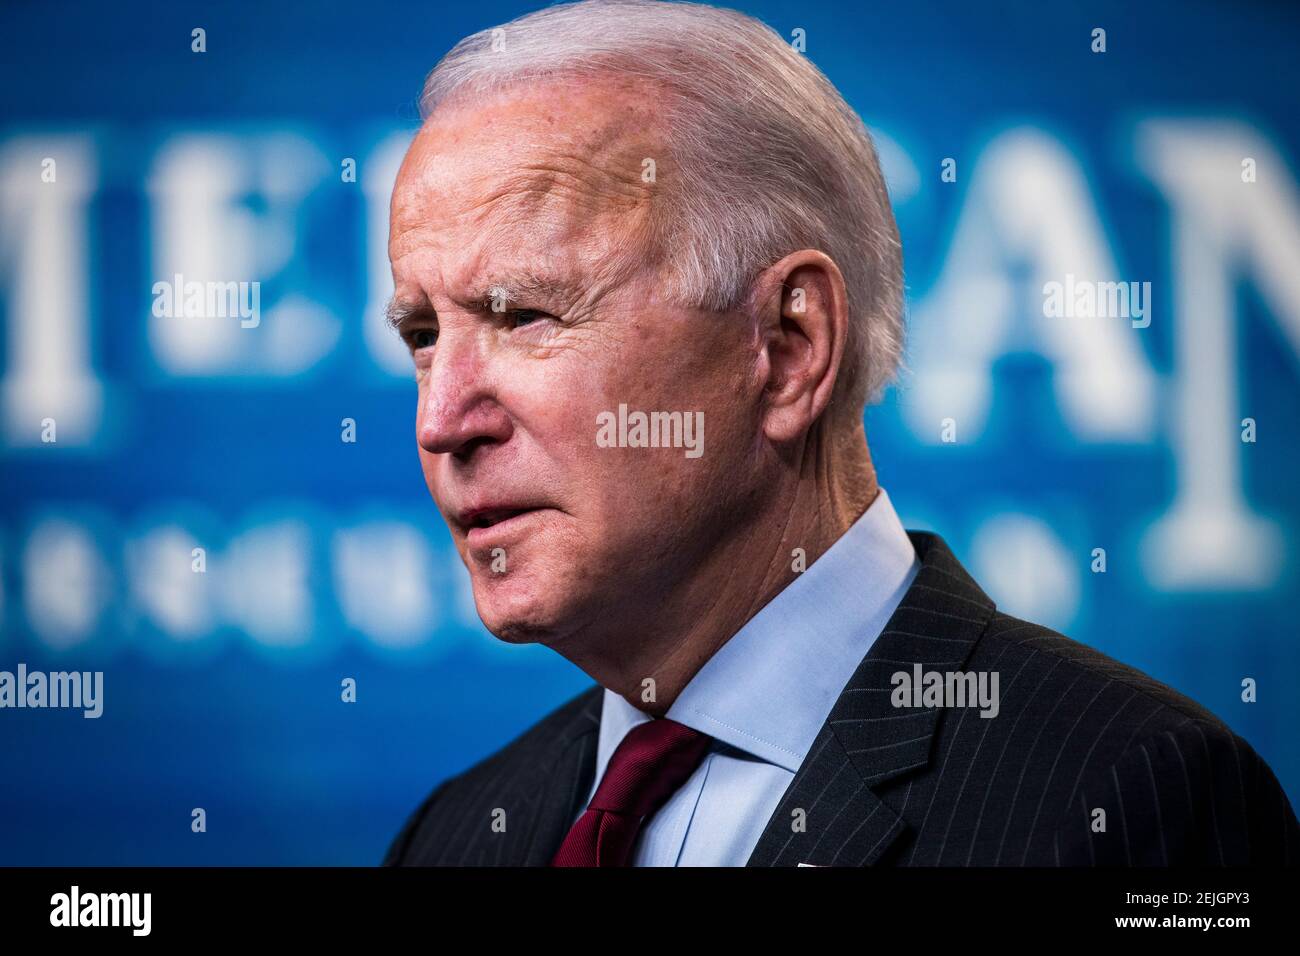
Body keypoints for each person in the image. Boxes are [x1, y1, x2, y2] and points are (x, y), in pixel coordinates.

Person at [381, 0, 1298, 866]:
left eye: (529, 316)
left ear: (787, 349)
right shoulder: (458, 835)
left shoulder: (1138, 800)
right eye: (423, 336)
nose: (441, 420)